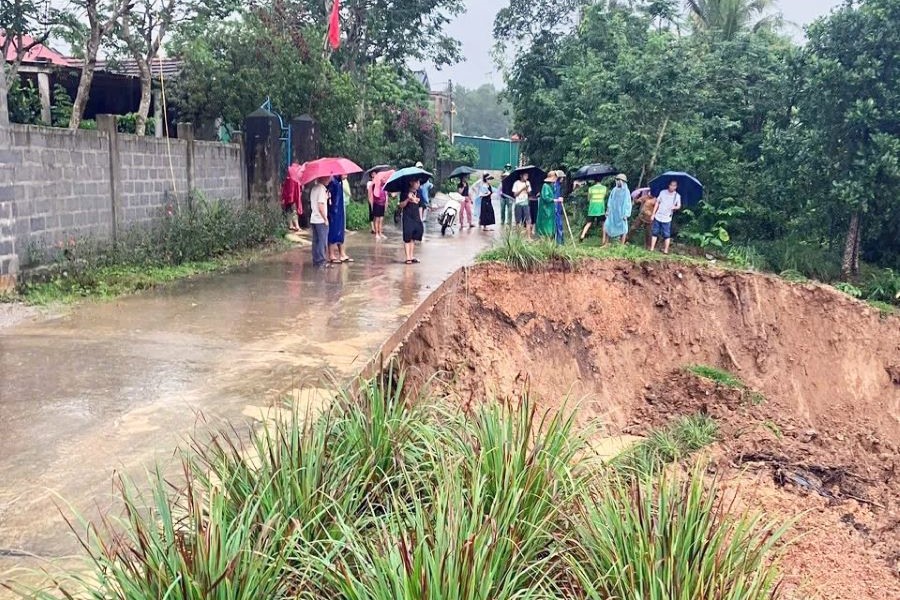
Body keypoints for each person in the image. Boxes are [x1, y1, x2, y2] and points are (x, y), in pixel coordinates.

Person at [650, 179, 682, 254]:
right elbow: (657, 203)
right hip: (658, 215)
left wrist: (675, 207)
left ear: (676, 187)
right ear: (669, 185)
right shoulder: (662, 192)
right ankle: (652, 248)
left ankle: (666, 250)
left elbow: (679, 206)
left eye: (674, 185)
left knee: (666, 234)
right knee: (655, 232)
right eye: (671, 185)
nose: (672, 187)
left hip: (667, 217)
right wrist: (653, 214)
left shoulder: (677, 196)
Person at [326, 176, 351, 263]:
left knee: (340, 232)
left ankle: (342, 254)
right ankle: (331, 255)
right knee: (333, 232)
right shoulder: (333, 182)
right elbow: (329, 197)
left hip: (339, 210)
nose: (346, 175)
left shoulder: (339, 182)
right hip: (333, 211)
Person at [603, 174, 632, 245]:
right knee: (607, 225)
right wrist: (608, 210)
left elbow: (628, 203)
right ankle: (606, 243)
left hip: (622, 213)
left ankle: (621, 245)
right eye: (617, 180)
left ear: (623, 181)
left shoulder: (626, 191)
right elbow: (610, 200)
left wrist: (626, 214)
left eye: (619, 180)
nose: (617, 181)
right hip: (612, 212)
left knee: (623, 229)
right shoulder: (614, 190)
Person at [400, 179, 424, 264]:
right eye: (416, 182)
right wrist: (407, 199)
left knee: (413, 237)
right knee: (407, 236)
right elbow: (401, 205)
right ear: (411, 182)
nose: (418, 184)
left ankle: (411, 255)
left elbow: (421, 206)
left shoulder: (419, 192)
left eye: (419, 182)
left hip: (416, 216)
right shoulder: (405, 192)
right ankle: (407, 258)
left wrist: (420, 219)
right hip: (407, 216)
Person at [309, 176, 330, 268]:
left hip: (314, 218)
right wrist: (325, 219)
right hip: (320, 220)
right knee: (322, 241)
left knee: (316, 241)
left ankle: (316, 261)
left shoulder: (314, 188)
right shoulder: (322, 189)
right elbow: (320, 206)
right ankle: (321, 262)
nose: (329, 179)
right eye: (328, 177)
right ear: (323, 178)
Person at [536, 171, 558, 238]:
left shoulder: (551, 186)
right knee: (546, 223)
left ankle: (550, 236)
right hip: (545, 208)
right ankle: (545, 237)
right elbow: (546, 197)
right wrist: (554, 200)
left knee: (550, 222)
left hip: (550, 208)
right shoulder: (545, 186)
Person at [416, 162, 433, 230]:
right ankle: (420, 219)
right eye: (419, 167)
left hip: (423, 194)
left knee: (423, 206)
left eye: (420, 167)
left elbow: (429, 186)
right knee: (420, 205)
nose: (420, 169)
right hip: (418, 193)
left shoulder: (424, 176)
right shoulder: (415, 175)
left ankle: (422, 219)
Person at [372, 174, 388, 240]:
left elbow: (386, 196)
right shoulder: (376, 186)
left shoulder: (385, 187)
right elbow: (374, 195)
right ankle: (376, 234)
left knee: (381, 220)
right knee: (377, 219)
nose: (384, 180)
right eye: (383, 178)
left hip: (382, 204)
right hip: (377, 204)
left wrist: (386, 204)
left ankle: (380, 233)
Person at [554, 170, 566, 245]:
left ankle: (561, 242)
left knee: (560, 225)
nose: (563, 179)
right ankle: (558, 242)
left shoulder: (559, 185)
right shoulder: (554, 185)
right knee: (557, 225)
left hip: (559, 208)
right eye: (562, 177)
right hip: (555, 208)